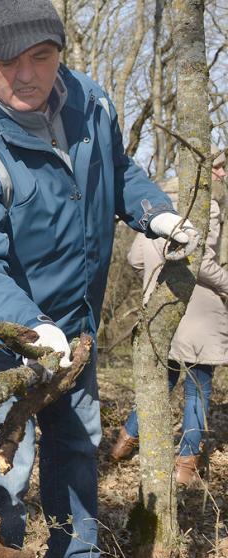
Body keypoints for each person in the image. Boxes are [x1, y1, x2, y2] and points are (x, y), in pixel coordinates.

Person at [0, 1, 198, 555]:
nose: (26, 75)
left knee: (77, 444)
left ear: (59, 54)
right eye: (8, 63)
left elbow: (118, 170)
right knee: (7, 465)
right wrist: (29, 326)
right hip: (1, 336)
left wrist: (154, 213)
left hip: (77, 322)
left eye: (41, 57)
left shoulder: (90, 102)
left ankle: (76, 550)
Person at [112, 154, 228, 487]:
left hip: (160, 312)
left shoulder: (156, 207)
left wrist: (153, 281)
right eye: (217, 166)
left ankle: (124, 442)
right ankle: (185, 466)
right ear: (200, 169)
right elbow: (200, 262)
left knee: (162, 382)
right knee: (198, 391)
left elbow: (136, 258)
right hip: (198, 312)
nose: (222, 173)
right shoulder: (206, 208)